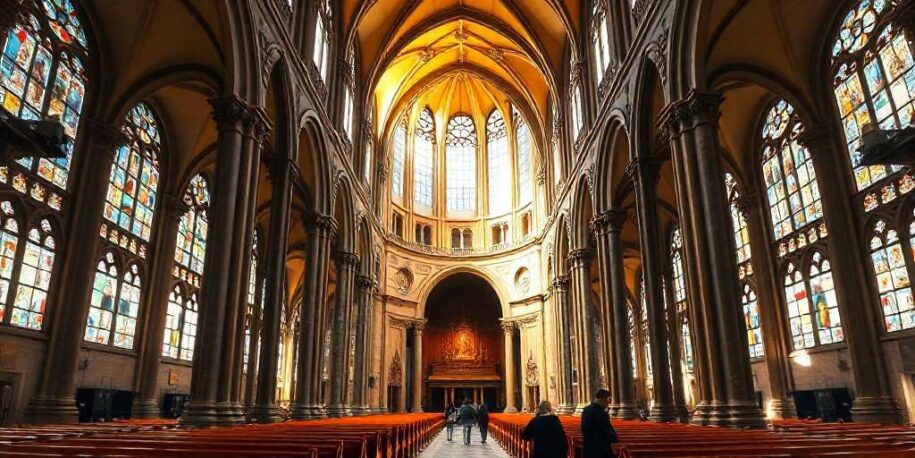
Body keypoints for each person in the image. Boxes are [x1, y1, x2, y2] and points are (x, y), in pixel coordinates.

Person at [581, 389, 618, 458]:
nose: (608, 403)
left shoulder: (586, 410)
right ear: (603, 399)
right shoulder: (601, 413)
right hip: (601, 449)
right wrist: (614, 437)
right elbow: (606, 431)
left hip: (588, 447)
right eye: (608, 400)